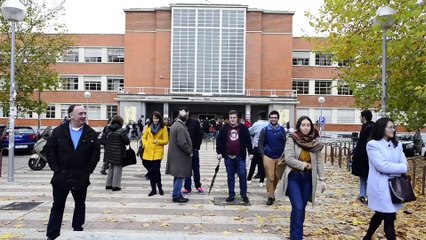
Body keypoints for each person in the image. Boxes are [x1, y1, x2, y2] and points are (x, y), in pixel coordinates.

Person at [45, 104, 100, 240]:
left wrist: (87, 171)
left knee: (80, 205)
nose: (83, 116)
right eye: (80, 113)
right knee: (57, 205)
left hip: (80, 176)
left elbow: (95, 153)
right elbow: (49, 150)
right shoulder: (59, 131)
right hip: (61, 176)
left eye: (84, 113)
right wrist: (56, 169)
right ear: (71, 115)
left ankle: (77, 231)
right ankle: (52, 234)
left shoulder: (90, 133)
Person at [276, 116, 325, 240]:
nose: (306, 127)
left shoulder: (314, 142)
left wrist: (322, 179)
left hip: (308, 179)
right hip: (294, 177)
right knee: (297, 206)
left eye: (308, 125)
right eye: (303, 125)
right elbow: (289, 159)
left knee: (301, 208)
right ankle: (297, 237)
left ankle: (295, 233)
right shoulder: (292, 139)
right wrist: (304, 165)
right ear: (299, 126)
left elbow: (319, 161)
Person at [363, 118, 408, 240]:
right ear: (382, 128)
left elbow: (405, 165)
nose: (393, 129)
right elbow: (382, 166)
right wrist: (399, 168)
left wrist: (397, 167)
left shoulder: (397, 145)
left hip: (395, 187)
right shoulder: (373, 145)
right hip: (380, 187)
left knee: (380, 214)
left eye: (394, 127)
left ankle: (367, 237)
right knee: (389, 217)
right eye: (390, 127)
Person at [216, 110, 253, 203]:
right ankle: (231, 194)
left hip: (240, 157)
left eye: (234, 117)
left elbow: (248, 140)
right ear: (229, 118)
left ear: (238, 118)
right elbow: (219, 140)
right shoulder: (224, 128)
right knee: (230, 176)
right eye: (231, 118)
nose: (232, 119)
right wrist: (219, 152)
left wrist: (250, 152)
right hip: (228, 156)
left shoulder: (243, 128)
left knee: (242, 175)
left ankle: (243, 194)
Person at [258, 110, 287, 205]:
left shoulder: (282, 130)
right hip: (268, 157)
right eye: (272, 117)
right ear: (269, 118)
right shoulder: (265, 130)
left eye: (275, 117)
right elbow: (260, 143)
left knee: (277, 177)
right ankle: (270, 196)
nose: (273, 119)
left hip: (280, 157)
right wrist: (263, 155)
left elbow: (285, 143)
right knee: (270, 177)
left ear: (278, 119)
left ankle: (272, 193)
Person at [166, 107, 193, 203]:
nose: (188, 117)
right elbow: (182, 143)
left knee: (177, 176)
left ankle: (177, 193)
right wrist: (190, 151)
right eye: (187, 115)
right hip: (180, 156)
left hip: (175, 155)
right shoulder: (180, 127)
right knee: (180, 176)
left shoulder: (174, 125)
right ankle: (176, 195)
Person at [142, 111, 169, 196]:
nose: (155, 120)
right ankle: (153, 189)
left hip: (157, 152)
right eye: (154, 118)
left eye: (157, 118)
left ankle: (160, 187)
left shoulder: (163, 127)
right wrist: (146, 144)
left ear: (159, 119)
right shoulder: (148, 126)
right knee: (151, 172)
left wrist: (157, 141)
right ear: (152, 119)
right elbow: (143, 138)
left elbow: (166, 141)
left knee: (156, 170)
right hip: (148, 151)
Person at [101, 115, 130, 191]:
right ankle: (116, 186)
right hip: (118, 153)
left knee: (111, 167)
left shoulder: (108, 129)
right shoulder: (121, 130)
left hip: (109, 152)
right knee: (117, 168)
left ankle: (109, 184)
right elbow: (126, 141)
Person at [351, 110, 375, 203]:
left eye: (360, 116)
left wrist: (356, 153)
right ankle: (364, 195)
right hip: (368, 157)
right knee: (365, 176)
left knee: (365, 177)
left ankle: (365, 196)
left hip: (364, 157)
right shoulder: (372, 127)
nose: (360, 118)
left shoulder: (367, 128)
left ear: (364, 117)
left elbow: (362, 143)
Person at [183, 109, 204, 194]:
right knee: (187, 170)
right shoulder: (180, 123)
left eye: (187, 114)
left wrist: (196, 147)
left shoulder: (195, 123)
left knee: (196, 168)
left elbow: (199, 135)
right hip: (184, 151)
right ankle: (187, 187)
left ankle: (198, 185)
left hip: (194, 149)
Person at [248, 110, 269, 186]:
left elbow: (250, 131)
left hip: (256, 146)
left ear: (259, 116)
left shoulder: (256, 124)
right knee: (262, 164)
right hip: (265, 147)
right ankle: (262, 180)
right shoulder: (269, 124)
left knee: (253, 163)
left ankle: (249, 179)